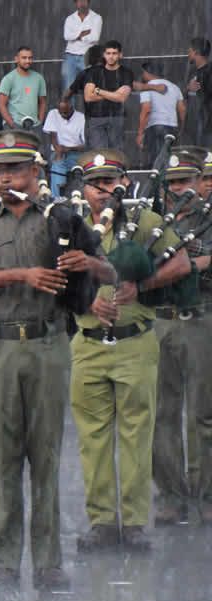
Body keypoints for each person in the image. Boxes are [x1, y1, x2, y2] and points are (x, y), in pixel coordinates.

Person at [0, 130, 114, 591]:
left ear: (36, 171)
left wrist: (87, 263)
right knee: (5, 457)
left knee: (45, 456)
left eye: (15, 169)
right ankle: (4, 560)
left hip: (48, 346)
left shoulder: (60, 220)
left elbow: (108, 269)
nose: (6, 179)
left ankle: (48, 561)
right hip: (0, 347)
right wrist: (22, 273)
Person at [72, 149, 188, 554]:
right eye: (95, 183)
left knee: (138, 435)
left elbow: (182, 264)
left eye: (111, 182)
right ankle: (102, 521)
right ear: (83, 189)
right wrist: (87, 303)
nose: (103, 191)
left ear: (124, 183)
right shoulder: (71, 226)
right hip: (88, 344)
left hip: (135, 339)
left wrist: (142, 286)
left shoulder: (144, 223)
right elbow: (53, 276)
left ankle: (135, 522)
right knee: (93, 438)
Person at [151, 148, 212, 525]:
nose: (179, 189)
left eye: (186, 181)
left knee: (205, 413)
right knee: (162, 414)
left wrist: (193, 263)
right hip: (161, 320)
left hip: (201, 317)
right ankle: (171, 493)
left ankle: (206, 492)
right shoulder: (156, 221)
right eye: (172, 183)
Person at [77, 40, 135, 150]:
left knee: (117, 153)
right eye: (108, 53)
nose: (111, 57)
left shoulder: (126, 73)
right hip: (96, 118)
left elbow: (122, 97)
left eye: (114, 53)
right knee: (99, 155)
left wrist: (99, 91)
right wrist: (114, 94)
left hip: (117, 117)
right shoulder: (94, 72)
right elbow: (88, 96)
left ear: (120, 55)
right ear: (104, 55)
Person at [136, 62, 185, 167]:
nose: (142, 75)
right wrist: (181, 128)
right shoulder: (174, 87)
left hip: (155, 128)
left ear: (147, 73)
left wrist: (140, 133)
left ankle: (157, 182)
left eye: (143, 72)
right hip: (172, 127)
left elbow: (146, 109)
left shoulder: (147, 87)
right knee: (170, 161)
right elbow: (182, 110)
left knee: (155, 160)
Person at [43, 98, 86, 197]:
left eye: (65, 113)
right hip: (58, 151)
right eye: (61, 112)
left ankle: (80, 199)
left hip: (75, 153)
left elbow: (84, 145)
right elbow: (53, 136)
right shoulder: (53, 114)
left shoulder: (81, 118)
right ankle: (57, 199)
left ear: (72, 109)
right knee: (57, 166)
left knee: (79, 170)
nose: (62, 115)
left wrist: (69, 149)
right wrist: (59, 152)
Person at [0, 47, 48, 130]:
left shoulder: (39, 78)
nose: (28, 61)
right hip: (13, 125)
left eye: (30, 58)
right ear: (16, 59)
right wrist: (12, 124)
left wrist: (40, 122)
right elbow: (1, 105)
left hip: (34, 126)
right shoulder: (8, 79)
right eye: (24, 58)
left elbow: (42, 102)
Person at [62, 0, 102, 93]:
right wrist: (83, 34)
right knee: (68, 86)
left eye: (84, 0)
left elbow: (95, 37)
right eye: (79, 1)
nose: (82, 3)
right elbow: (67, 36)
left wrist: (76, 36)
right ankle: (70, 108)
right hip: (70, 56)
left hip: (88, 56)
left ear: (88, 2)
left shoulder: (97, 18)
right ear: (75, 3)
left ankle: (91, 107)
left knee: (91, 85)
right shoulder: (70, 19)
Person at [187, 38, 212, 146]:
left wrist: (199, 89)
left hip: (207, 124)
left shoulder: (209, 71)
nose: (188, 53)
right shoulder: (193, 72)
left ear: (196, 52)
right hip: (197, 124)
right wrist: (188, 88)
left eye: (190, 51)